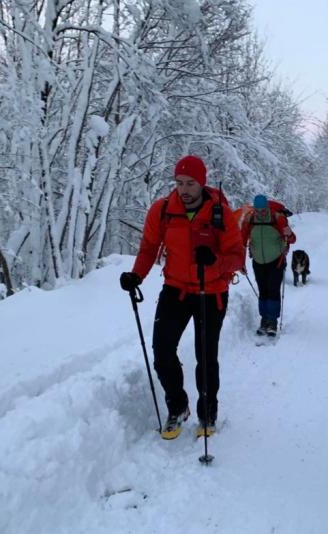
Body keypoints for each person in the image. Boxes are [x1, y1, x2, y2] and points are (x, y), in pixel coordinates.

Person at [119, 155, 244, 439]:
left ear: (202, 183)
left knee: (206, 356)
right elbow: (149, 247)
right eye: (179, 183)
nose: (184, 189)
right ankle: (178, 406)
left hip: (211, 292)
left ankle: (207, 414)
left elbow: (237, 257)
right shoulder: (162, 210)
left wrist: (213, 260)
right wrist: (136, 275)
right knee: (162, 352)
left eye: (190, 183)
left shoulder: (220, 214)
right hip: (175, 289)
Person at [241, 195, 296, 336]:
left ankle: (272, 321)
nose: (261, 213)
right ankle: (264, 319)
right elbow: (242, 241)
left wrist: (289, 234)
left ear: (267, 207)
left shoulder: (278, 218)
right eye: (258, 210)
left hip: (276, 260)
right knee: (263, 290)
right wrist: (241, 262)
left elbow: (292, 239)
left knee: (273, 290)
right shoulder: (249, 219)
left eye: (263, 210)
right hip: (258, 261)